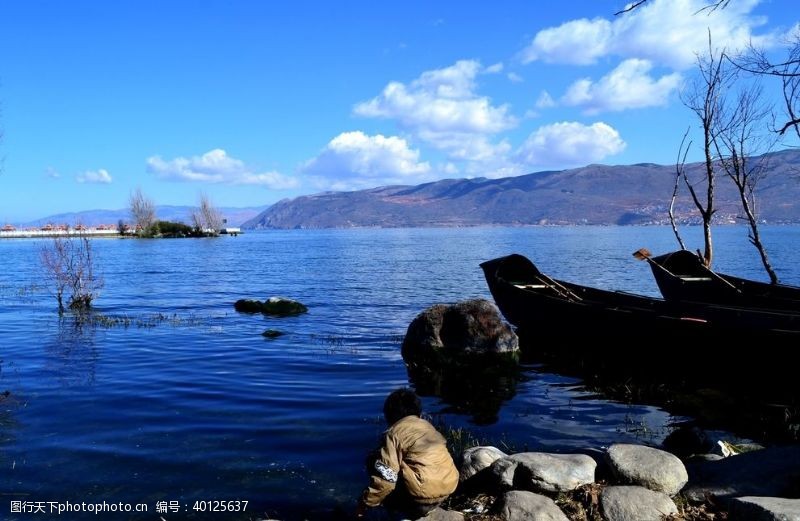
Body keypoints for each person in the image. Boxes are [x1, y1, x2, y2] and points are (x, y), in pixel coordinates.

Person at [356, 388, 459, 519]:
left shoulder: (394, 434)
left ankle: (403, 513)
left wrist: (365, 503)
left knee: (374, 461)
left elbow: (387, 478)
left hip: (422, 495)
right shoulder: (427, 426)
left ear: (390, 414)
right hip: (449, 486)